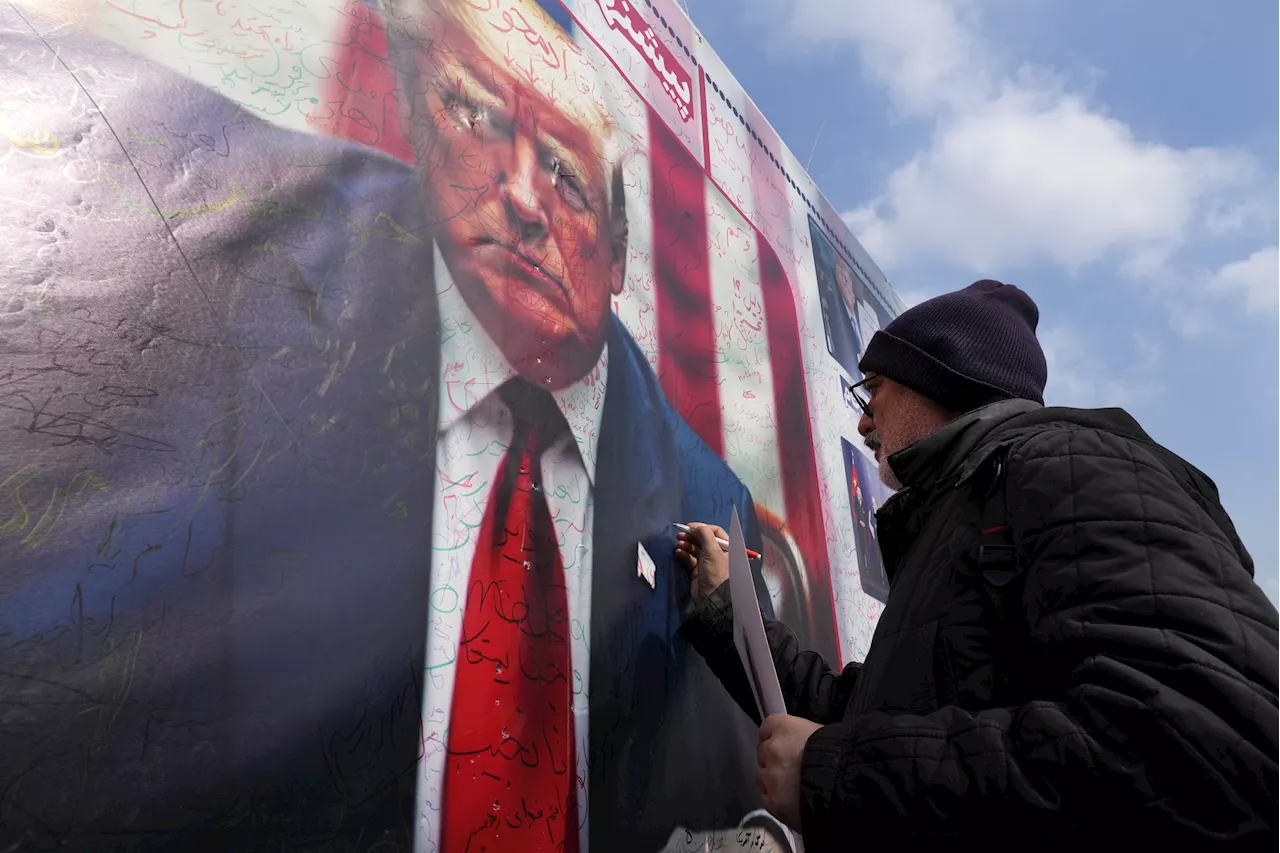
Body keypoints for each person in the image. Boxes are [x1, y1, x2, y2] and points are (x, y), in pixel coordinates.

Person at [0, 3, 779, 852]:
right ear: (415, 111)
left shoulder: (702, 496)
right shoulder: (195, 236)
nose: (520, 196)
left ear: (622, 252)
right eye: (474, 115)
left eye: (561, 171)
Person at [677, 280, 1280, 847]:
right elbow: (855, 720)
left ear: (937, 382)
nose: (862, 419)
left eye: (875, 389)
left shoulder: (1070, 467)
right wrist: (725, 608)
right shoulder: (970, 507)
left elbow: (1199, 749)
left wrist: (837, 773)